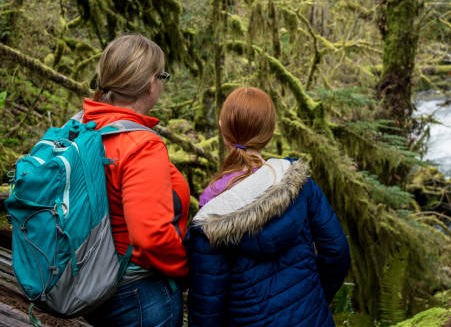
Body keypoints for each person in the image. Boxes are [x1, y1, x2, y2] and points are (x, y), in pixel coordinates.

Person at [186, 87, 351, 327]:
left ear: (223, 129)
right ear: (270, 132)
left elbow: (206, 309)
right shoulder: (299, 184)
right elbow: (336, 252)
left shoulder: (212, 213)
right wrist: (315, 300)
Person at [82, 34, 189, 327]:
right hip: (139, 295)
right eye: (162, 75)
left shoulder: (83, 126)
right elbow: (150, 236)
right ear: (149, 84)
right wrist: (184, 268)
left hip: (94, 279)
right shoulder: (140, 145)